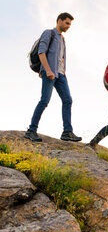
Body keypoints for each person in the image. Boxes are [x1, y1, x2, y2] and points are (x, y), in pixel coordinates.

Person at [25, 12, 82, 142]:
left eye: (70, 24)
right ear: (60, 21)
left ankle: (67, 132)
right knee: (44, 100)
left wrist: (63, 72)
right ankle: (31, 130)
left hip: (61, 74)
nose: (69, 26)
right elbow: (41, 52)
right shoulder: (48, 33)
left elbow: (61, 58)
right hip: (49, 73)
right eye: (67, 23)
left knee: (68, 100)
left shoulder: (62, 39)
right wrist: (48, 70)